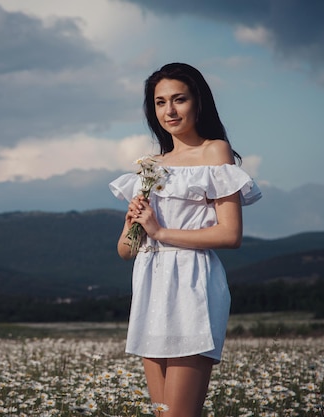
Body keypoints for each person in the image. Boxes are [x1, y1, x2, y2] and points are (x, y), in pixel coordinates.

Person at [109, 63, 262, 417]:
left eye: (179, 99)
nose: (170, 111)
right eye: (160, 102)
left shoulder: (215, 152)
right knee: (162, 414)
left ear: (198, 102)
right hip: (150, 285)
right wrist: (135, 221)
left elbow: (230, 234)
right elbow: (126, 250)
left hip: (192, 282)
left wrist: (160, 232)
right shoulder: (150, 165)